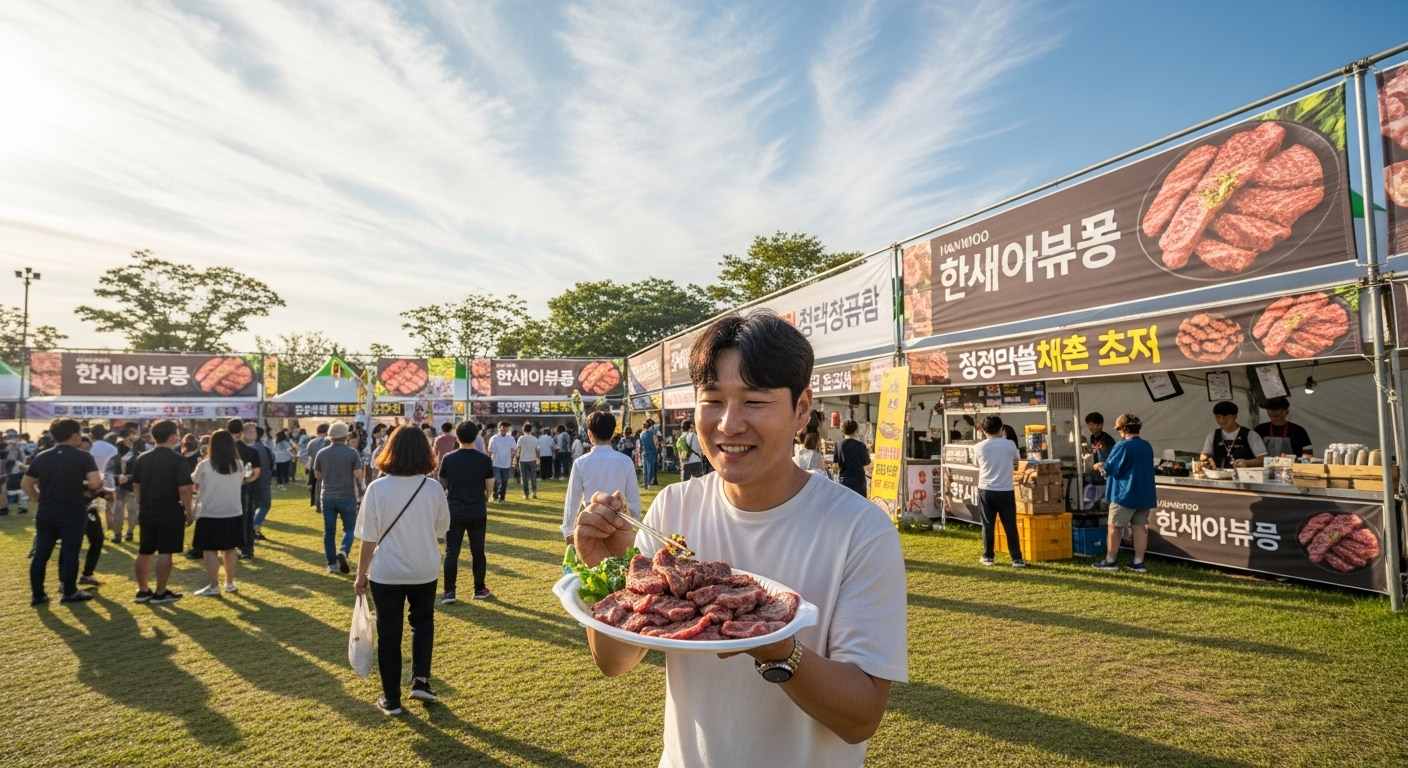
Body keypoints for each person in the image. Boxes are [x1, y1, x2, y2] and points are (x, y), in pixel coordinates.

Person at [572, 311, 906, 765]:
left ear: (801, 408)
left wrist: (776, 647)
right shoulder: (675, 507)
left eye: (754, 401)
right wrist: (615, 580)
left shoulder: (859, 530)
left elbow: (860, 718)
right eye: (712, 400)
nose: (728, 424)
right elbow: (616, 662)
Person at [353, 425, 451, 716]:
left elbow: (368, 537)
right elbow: (441, 529)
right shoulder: (432, 488)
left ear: (389, 450)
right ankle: (421, 680)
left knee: (390, 633)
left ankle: (391, 699)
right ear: (425, 452)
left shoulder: (377, 488)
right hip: (425, 568)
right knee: (423, 623)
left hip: (386, 572)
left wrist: (361, 574)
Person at [24, 419, 103, 605]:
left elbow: (26, 483)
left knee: (41, 553)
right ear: (75, 435)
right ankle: (69, 591)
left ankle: (38, 595)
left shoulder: (41, 457)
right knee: (70, 552)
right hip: (72, 510)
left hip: (46, 510)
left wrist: (37, 498)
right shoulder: (83, 456)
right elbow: (94, 482)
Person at [130, 420, 195, 604]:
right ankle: (160, 592)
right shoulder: (178, 459)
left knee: (145, 550)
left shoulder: (142, 458)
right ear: (173, 436)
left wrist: (143, 506)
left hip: (148, 510)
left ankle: (142, 590)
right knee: (165, 551)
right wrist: (188, 511)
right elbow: (185, 489)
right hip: (169, 509)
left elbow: (137, 487)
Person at [437, 421, 494, 603]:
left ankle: (449, 592)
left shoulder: (448, 459)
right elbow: (490, 487)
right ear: (476, 436)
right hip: (477, 509)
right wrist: (483, 496)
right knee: (478, 551)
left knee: (451, 552)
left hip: (454, 510)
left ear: (457, 437)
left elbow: (442, 485)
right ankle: (479, 589)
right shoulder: (484, 459)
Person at [1092, 414, 1156, 573]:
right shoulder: (1146, 445)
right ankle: (1138, 561)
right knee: (1140, 527)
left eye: (1119, 429)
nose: (1119, 432)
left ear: (1124, 429)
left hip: (1124, 493)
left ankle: (1110, 561)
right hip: (1144, 493)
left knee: (1114, 526)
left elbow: (1111, 468)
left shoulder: (1122, 446)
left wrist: (1100, 465)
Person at [562, 411, 641, 540]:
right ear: (612, 433)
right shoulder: (625, 461)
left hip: (590, 522)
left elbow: (573, 500)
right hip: (618, 522)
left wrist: (568, 530)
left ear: (590, 434)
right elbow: (633, 498)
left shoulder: (581, 463)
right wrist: (635, 523)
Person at [190, 430, 246, 596]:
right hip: (233, 511)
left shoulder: (205, 465)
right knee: (230, 549)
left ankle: (213, 585)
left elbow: (194, 485)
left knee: (210, 550)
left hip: (210, 512)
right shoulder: (239, 465)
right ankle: (229, 583)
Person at [974, 415, 1025, 568]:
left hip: (985, 489)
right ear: (1001, 428)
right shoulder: (1010, 445)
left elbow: (976, 464)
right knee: (1010, 525)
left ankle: (988, 556)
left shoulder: (978, 447)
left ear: (983, 430)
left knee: (987, 524)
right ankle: (1017, 558)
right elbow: (1017, 460)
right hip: (1006, 489)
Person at [315, 422, 365, 574]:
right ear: (346, 437)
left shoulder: (322, 453)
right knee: (350, 528)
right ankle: (343, 551)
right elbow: (358, 474)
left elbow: (317, 475)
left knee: (328, 531)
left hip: (328, 496)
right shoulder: (352, 453)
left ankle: (331, 564)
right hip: (346, 495)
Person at [75, 436, 107, 589]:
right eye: (82, 449)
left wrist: (103, 491)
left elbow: (96, 486)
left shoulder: (89, 463)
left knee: (97, 538)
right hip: (72, 509)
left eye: (88, 449)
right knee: (72, 544)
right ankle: (65, 582)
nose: (85, 452)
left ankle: (88, 573)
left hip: (90, 508)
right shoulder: (69, 464)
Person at [1200, 401, 1267, 469]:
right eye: (1218, 417)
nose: (1222, 420)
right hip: (1219, 475)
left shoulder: (1250, 435)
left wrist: (1247, 463)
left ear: (1235, 417)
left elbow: (1263, 459)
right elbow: (1205, 455)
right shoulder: (1212, 435)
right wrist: (1205, 458)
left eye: (1226, 417)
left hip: (1245, 476)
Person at [245, 425, 275, 551]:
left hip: (248, 481)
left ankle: (252, 528)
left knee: (252, 505)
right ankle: (254, 526)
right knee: (265, 505)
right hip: (262, 480)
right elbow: (272, 463)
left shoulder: (244, 448)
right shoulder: (264, 449)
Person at [832, 420, 871, 497]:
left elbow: (835, 465)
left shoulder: (838, 445)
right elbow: (867, 464)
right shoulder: (861, 446)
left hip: (844, 481)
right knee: (859, 506)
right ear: (856, 430)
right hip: (858, 482)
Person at [487, 422, 515, 503]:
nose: (504, 430)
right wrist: (491, 459)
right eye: (502, 429)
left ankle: (502, 496)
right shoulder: (494, 438)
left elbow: (513, 450)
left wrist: (512, 459)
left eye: (506, 429)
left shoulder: (511, 439)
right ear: (499, 428)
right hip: (496, 463)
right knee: (496, 480)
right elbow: (490, 451)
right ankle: (495, 495)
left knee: (504, 481)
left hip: (506, 463)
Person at [305, 423, 330, 509]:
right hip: (326, 467)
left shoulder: (312, 442)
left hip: (314, 466)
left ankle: (316, 503)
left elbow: (309, 454)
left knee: (315, 486)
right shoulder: (328, 441)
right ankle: (322, 503)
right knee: (325, 487)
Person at [515, 422, 539, 500]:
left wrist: (516, 458)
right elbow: (537, 450)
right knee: (533, 477)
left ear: (523, 430)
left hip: (523, 460)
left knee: (524, 477)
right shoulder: (534, 439)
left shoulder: (521, 438)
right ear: (531, 430)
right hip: (532, 459)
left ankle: (526, 494)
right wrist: (538, 458)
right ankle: (534, 492)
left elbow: (518, 450)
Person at [638, 419, 659, 489]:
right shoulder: (653, 434)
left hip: (645, 452)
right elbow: (656, 443)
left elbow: (640, 444)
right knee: (651, 469)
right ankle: (649, 481)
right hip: (652, 452)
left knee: (645, 469)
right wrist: (657, 448)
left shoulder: (641, 434)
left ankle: (645, 484)